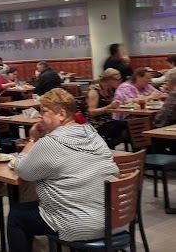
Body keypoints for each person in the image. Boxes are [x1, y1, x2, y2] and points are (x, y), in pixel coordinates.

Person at [8, 88, 119, 252]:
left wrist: (32, 139)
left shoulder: (52, 142)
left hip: (79, 224)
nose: (39, 116)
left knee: (16, 216)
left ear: (61, 114)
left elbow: (22, 170)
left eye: (44, 111)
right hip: (114, 219)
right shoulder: (92, 134)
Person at [86, 68, 125, 148]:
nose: (120, 82)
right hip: (97, 123)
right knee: (125, 128)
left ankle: (109, 147)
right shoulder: (95, 90)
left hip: (108, 120)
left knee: (129, 125)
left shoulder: (110, 90)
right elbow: (92, 111)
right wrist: (109, 107)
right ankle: (107, 147)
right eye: (117, 80)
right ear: (109, 79)